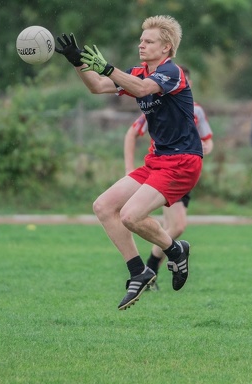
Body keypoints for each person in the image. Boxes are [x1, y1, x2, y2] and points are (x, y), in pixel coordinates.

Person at [55, 15, 203, 310]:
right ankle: (139, 271)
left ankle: (175, 250)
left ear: (166, 47)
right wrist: (77, 63)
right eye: (141, 40)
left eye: (149, 41)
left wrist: (110, 68)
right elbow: (97, 86)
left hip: (182, 162)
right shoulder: (138, 72)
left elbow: (141, 89)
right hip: (157, 160)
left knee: (130, 215)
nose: (141, 44)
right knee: (104, 206)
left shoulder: (172, 72)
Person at [123, 66, 213, 290]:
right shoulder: (158, 102)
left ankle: (151, 269)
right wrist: (128, 168)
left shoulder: (196, 111)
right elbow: (132, 132)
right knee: (176, 224)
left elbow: (209, 141)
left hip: (185, 166)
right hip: (165, 168)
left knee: (174, 225)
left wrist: (201, 147)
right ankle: (152, 268)